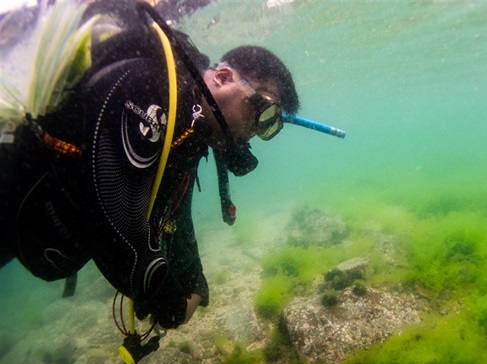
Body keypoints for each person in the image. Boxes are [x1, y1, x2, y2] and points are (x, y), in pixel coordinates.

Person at [0, 2, 299, 330]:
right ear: (225, 77)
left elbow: (175, 208)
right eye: (263, 113)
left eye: (269, 127)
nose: (255, 132)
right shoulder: (146, 86)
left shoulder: (188, 125)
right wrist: (163, 295)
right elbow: (111, 213)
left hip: (26, 224)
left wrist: (192, 278)